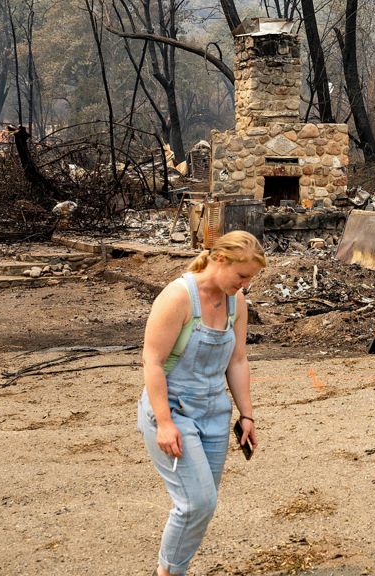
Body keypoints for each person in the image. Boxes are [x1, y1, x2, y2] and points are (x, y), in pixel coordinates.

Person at [137, 230, 265, 576]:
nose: (245, 285)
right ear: (219, 259)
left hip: (214, 414)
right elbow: (152, 361)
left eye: (250, 278)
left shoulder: (236, 303)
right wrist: (164, 422)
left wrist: (247, 414)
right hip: (173, 411)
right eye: (242, 276)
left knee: (202, 506)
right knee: (197, 502)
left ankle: (172, 569)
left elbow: (237, 361)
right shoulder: (177, 297)